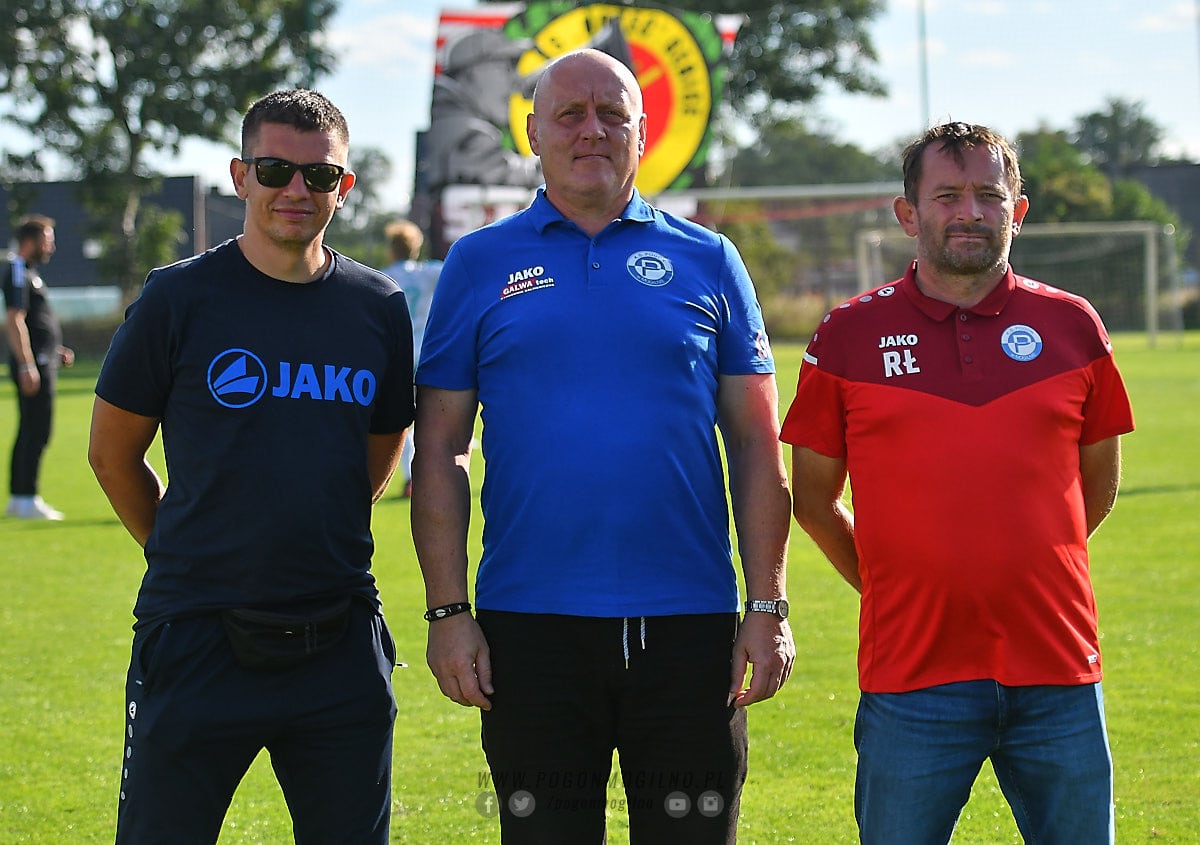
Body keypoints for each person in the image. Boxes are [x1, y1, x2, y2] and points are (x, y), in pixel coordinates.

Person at [412, 49, 794, 844]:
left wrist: (768, 605)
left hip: (690, 627)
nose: (592, 130)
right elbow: (441, 447)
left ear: (642, 132)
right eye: (570, 114)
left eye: (613, 114)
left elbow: (758, 447)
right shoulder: (478, 263)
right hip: (529, 628)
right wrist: (448, 612)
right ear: (532, 133)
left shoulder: (710, 259)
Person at [781, 122, 1135, 844]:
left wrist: (1031, 557)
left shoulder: (1073, 326)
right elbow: (813, 501)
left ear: (1018, 211)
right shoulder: (847, 335)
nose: (970, 212)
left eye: (988, 195)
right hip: (912, 679)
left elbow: (1095, 484)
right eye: (947, 196)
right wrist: (889, 581)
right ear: (907, 213)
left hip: (1058, 672)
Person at [87, 89, 414, 844]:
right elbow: (111, 453)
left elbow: (377, 454)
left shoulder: (378, 306)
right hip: (196, 635)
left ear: (344, 187)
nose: (296, 189)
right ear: (241, 177)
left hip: (338, 640)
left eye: (319, 175)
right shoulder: (178, 297)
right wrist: (182, 547)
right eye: (274, 170)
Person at [3, 214, 74, 520]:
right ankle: (25, 497)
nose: (51, 247)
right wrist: (27, 364)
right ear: (30, 242)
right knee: (36, 429)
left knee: (33, 428)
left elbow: (35, 323)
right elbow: (15, 319)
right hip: (33, 366)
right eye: (47, 241)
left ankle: (20, 498)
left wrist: (53, 350)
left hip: (42, 360)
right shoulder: (17, 270)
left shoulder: (30, 273)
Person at [381, 218, 442, 497]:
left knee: (400, 421)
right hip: (428, 354)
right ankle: (433, 475)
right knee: (432, 421)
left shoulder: (382, 277)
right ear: (415, 247)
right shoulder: (429, 273)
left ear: (392, 248)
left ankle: (410, 478)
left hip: (397, 357)